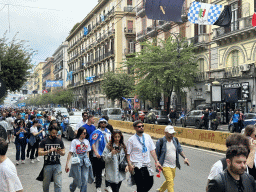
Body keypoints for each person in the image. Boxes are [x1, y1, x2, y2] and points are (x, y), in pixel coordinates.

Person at [126, 120, 162, 192]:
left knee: (150, 183)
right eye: (139, 127)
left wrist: (156, 161)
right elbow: (128, 154)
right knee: (140, 185)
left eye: (142, 126)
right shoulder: (131, 140)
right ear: (135, 128)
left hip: (147, 164)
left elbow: (152, 150)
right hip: (137, 165)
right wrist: (129, 165)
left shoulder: (147, 137)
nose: (141, 128)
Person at [156, 126, 190, 192]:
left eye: (173, 133)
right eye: (170, 133)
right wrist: (157, 163)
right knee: (170, 182)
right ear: (165, 133)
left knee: (170, 180)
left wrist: (185, 158)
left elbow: (180, 149)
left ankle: (160, 190)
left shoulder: (175, 140)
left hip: (173, 165)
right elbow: (156, 154)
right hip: (164, 165)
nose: (172, 135)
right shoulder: (160, 142)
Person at [65, 127, 94, 192]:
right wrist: (67, 164)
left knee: (85, 178)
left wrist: (88, 161)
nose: (85, 134)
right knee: (77, 178)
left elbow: (87, 152)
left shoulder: (86, 141)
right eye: (84, 133)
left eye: (86, 133)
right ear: (80, 133)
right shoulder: (74, 141)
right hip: (77, 161)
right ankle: (72, 188)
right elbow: (70, 153)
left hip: (85, 161)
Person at [38, 125, 65, 192]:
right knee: (46, 185)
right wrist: (48, 151)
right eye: (53, 133)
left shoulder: (59, 141)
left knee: (58, 184)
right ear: (49, 132)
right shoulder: (44, 141)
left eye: (56, 133)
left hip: (57, 164)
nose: (55, 134)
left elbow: (63, 153)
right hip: (47, 165)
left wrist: (60, 152)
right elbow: (39, 153)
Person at [90, 118, 112, 192]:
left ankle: (107, 186)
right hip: (98, 155)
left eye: (104, 122)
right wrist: (96, 152)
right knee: (98, 172)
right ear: (99, 124)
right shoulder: (96, 132)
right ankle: (98, 187)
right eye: (101, 122)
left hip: (107, 155)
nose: (103, 124)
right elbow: (92, 143)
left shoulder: (108, 132)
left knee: (108, 171)